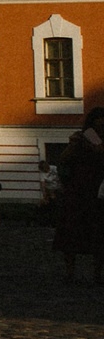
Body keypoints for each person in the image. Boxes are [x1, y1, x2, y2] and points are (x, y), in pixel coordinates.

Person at [55, 112, 104, 283]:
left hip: (96, 192)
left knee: (98, 235)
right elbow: (63, 159)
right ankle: (71, 272)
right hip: (78, 191)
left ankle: (96, 273)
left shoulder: (92, 141)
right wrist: (74, 144)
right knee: (71, 234)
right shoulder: (79, 140)